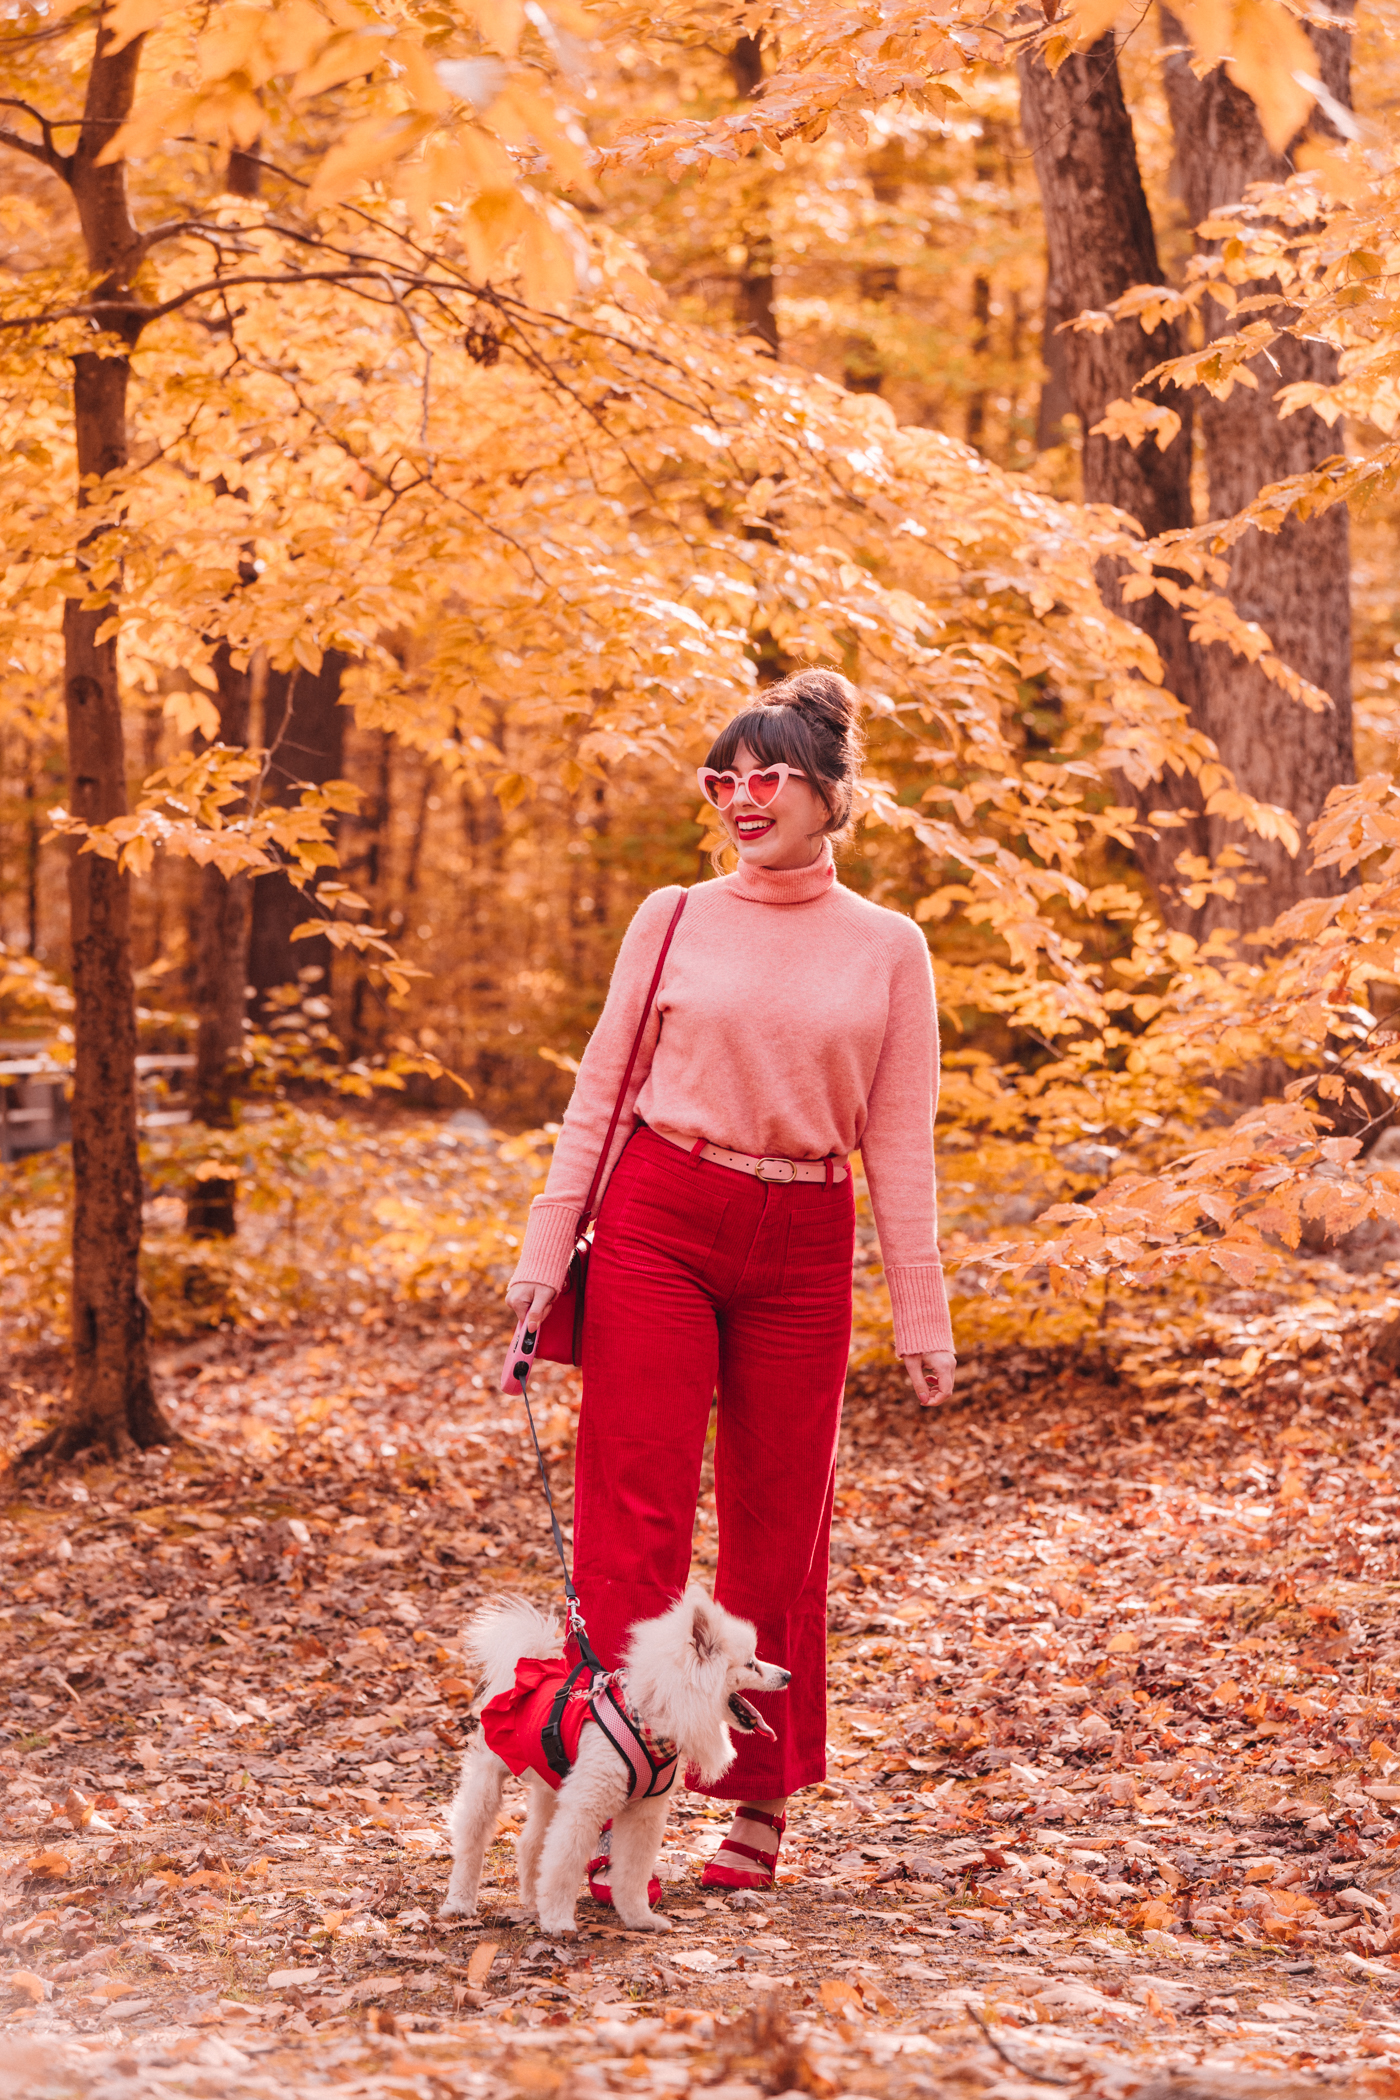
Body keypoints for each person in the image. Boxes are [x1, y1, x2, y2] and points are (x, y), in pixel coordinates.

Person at [506, 669, 956, 1894]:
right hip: (660, 1213)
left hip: (805, 1240)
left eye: (767, 778)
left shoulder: (887, 949)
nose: (740, 800)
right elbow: (598, 1095)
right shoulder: (669, 917)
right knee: (631, 1510)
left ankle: (755, 1795)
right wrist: (545, 1265)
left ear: (828, 796)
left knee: (779, 1520)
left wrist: (921, 1308)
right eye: (723, 779)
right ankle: (607, 1794)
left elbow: (899, 1136)